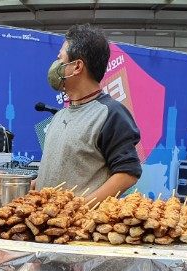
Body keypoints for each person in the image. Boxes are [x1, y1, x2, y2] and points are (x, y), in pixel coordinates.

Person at [35, 24, 141, 202]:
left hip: (79, 227)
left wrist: (82, 207)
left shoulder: (110, 114)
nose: (55, 65)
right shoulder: (60, 115)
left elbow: (127, 173)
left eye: (60, 58)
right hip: (48, 223)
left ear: (77, 67)